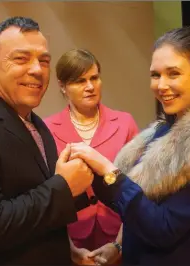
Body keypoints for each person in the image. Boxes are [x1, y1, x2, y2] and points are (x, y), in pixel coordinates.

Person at [66, 27, 190, 265]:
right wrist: (119, 246)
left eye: (173, 73)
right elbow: (132, 203)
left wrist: (109, 172)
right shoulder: (160, 132)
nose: (162, 85)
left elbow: (163, 228)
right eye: (156, 75)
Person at [0, 17, 94, 265]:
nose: (36, 70)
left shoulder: (36, 124)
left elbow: (33, 209)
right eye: (21, 59)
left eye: (44, 61)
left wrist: (66, 249)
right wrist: (64, 187)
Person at [44, 49, 139, 265]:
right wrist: (70, 250)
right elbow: (47, 196)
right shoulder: (47, 130)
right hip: (69, 243)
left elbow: (138, 188)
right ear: (62, 86)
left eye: (94, 78)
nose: (90, 86)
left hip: (120, 237)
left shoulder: (125, 123)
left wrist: (119, 245)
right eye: (80, 81)